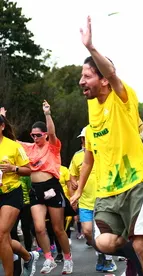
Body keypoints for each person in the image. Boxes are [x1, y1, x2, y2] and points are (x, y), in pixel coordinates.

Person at [70, 16, 143, 276]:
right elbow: (90, 158)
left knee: (141, 244)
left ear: (104, 80)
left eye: (87, 76)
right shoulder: (91, 107)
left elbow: (111, 73)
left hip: (135, 183)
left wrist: (90, 48)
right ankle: (140, 251)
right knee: (103, 242)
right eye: (81, 76)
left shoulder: (123, 97)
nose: (81, 82)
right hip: (108, 190)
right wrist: (80, 190)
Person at [20, 101, 73, 274]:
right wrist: (2, 118)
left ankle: (67, 258)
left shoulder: (52, 146)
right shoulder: (29, 148)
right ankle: (49, 259)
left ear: (45, 135)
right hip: (36, 189)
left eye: (38, 135)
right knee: (39, 228)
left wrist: (47, 114)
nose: (35, 138)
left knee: (58, 229)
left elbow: (52, 132)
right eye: (32, 135)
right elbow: (10, 140)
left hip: (51, 188)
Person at [69, 127, 117, 273]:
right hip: (85, 201)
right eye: (82, 139)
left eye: (86, 139)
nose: (84, 142)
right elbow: (72, 174)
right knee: (87, 232)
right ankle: (100, 253)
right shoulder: (77, 156)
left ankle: (108, 259)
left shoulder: (104, 153)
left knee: (101, 232)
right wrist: (74, 184)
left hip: (103, 199)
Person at [0, 108, 39, 276]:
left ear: (2, 126)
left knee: (1, 234)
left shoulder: (13, 146)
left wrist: (13, 168)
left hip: (12, 192)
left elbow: (28, 170)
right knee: (5, 238)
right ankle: (27, 256)